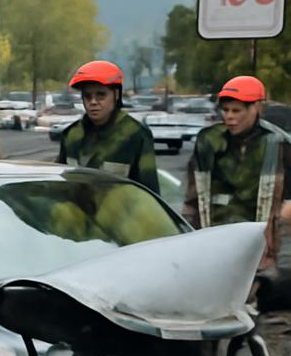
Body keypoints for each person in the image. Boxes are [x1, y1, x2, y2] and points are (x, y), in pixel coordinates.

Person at [182, 74, 291, 271]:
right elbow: (192, 197)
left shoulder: (278, 144)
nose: (229, 116)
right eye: (225, 110)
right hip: (214, 247)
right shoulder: (208, 141)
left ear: (257, 108)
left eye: (236, 110)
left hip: (261, 253)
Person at [57, 60, 160, 193]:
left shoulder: (136, 136)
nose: (93, 102)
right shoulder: (71, 135)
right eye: (87, 96)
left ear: (116, 95)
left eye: (101, 95)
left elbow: (149, 193)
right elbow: (60, 186)